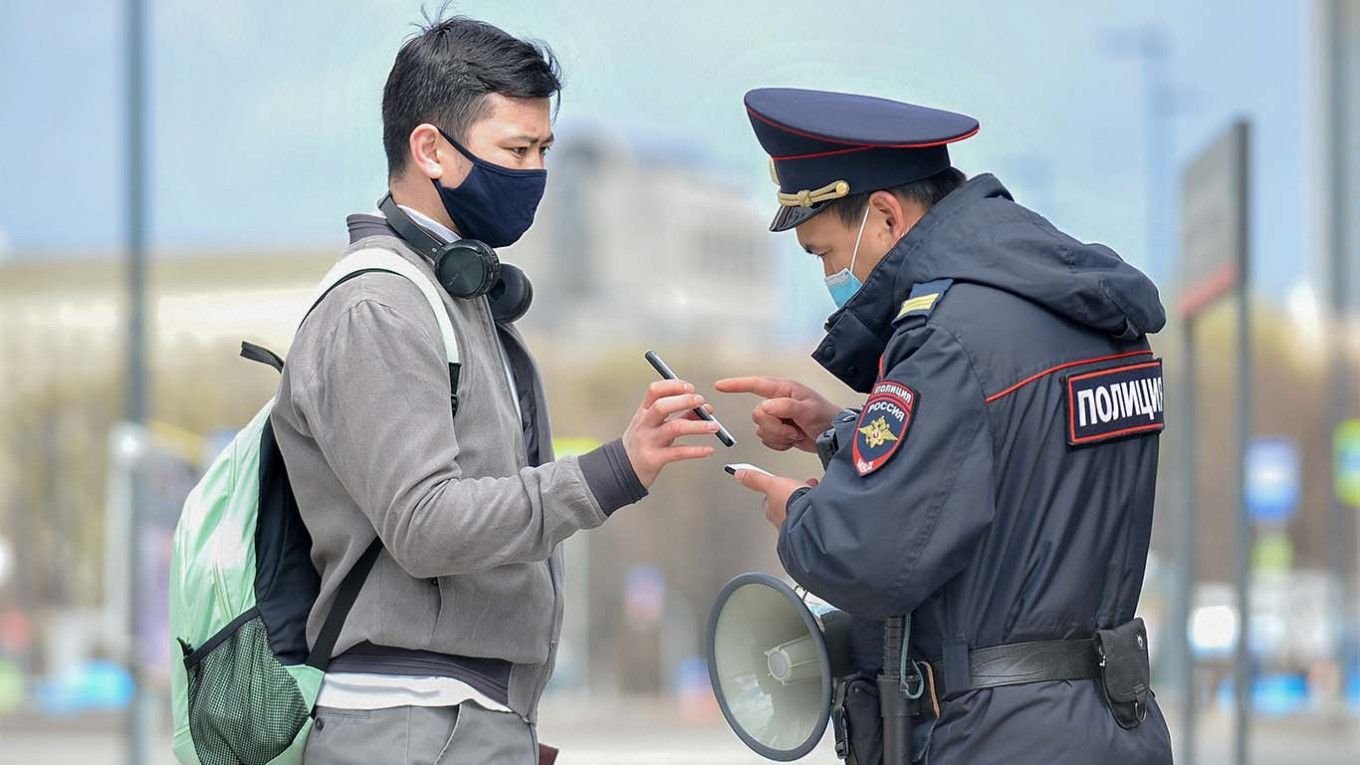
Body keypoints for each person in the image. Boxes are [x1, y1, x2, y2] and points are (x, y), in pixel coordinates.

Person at [270, 16, 717, 764]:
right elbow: (425, 522)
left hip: (457, 720)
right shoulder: (379, 306)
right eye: (516, 150)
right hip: (413, 723)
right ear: (431, 150)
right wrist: (610, 471)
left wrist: (505, 725)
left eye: (543, 151)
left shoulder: (456, 297)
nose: (534, 174)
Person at [720, 87, 1173, 763]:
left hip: (995, 733)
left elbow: (868, 556)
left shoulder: (945, 336)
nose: (830, 275)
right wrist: (845, 430)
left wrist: (803, 512)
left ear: (884, 217)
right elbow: (1016, 464)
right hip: (1110, 721)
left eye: (823, 252)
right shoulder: (1081, 308)